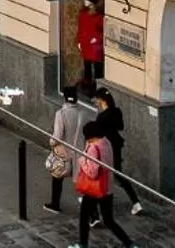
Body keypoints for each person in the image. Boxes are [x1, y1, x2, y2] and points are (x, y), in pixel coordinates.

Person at [74, 114, 134, 245]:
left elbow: (92, 172)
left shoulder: (93, 148)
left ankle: (82, 244)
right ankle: (129, 243)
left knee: (84, 217)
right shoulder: (106, 142)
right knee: (109, 220)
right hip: (107, 187)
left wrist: (82, 160)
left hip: (93, 189)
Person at [44, 79, 96, 215]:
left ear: (65, 98)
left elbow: (57, 135)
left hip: (65, 153)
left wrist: (51, 142)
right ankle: (93, 213)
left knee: (57, 177)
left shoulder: (61, 114)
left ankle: (55, 204)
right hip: (80, 151)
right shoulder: (83, 113)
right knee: (83, 182)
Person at [94, 87, 147, 216]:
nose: (97, 103)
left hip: (105, 148)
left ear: (102, 101)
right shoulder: (117, 112)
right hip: (116, 146)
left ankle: (91, 200)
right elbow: (120, 126)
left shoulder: (101, 117)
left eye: (97, 101)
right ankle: (136, 202)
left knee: (99, 173)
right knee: (118, 174)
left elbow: (98, 134)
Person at [78, 0, 106, 84]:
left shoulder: (99, 17)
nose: (85, 1)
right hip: (85, 44)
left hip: (95, 47)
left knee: (98, 68)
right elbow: (80, 28)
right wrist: (79, 41)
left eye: (87, 0)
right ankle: (88, 86)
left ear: (92, 3)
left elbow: (104, 32)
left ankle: (98, 86)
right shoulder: (83, 14)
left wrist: (97, 39)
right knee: (87, 67)